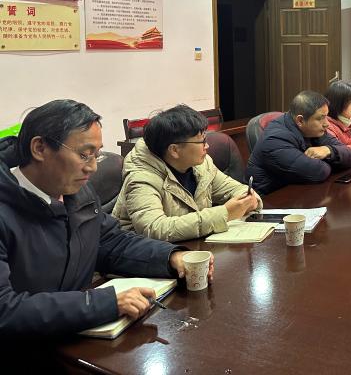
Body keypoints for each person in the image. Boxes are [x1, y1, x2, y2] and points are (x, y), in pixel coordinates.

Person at [0, 99, 213, 337]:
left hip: (77, 336)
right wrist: (104, 304)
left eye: (96, 155)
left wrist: (171, 257)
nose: (92, 168)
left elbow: (109, 242)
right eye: (84, 155)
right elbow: (5, 310)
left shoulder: (77, 192)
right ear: (40, 148)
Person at [112, 105, 261, 242]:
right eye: (201, 142)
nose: (207, 146)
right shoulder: (141, 178)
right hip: (142, 255)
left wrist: (248, 199)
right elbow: (155, 229)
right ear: (174, 150)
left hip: (191, 246)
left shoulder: (202, 165)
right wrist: (224, 214)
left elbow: (233, 189)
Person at [247, 91, 351, 195]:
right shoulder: (274, 140)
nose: (327, 124)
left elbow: (349, 155)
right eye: (321, 118)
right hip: (269, 200)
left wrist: (328, 150)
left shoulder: (313, 130)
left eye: (326, 116)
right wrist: (334, 160)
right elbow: (319, 172)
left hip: (298, 192)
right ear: (300, 120)